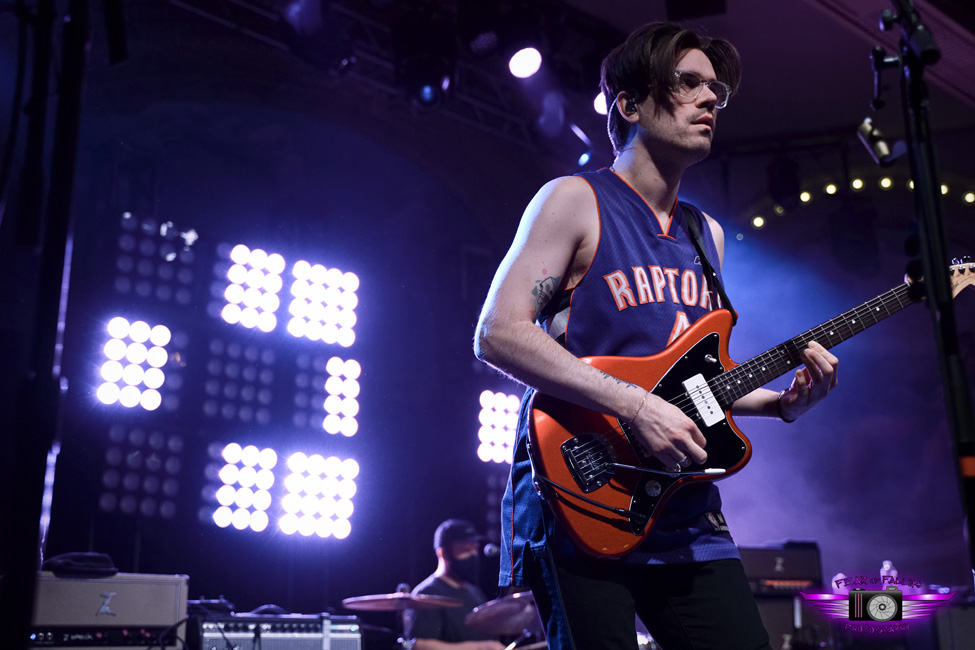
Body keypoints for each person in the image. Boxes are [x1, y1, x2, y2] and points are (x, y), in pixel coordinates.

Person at [473, 21, 839, 650]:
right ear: (630, 103)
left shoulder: (707, 236)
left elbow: (689, 384)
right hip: (580, 487)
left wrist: (779, 404)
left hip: (682, 507)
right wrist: (634, 406)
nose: (709, 100)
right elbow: (499, 332)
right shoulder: (574, 199)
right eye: (688, 83)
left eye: (716, 92)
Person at [403, 519, 507, 650]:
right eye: (464, 550)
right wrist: (479, 648)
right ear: (442, 553)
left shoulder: (475, 593)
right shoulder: (426, 593)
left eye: (475, 549)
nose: (473, 555)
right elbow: (419, 645)